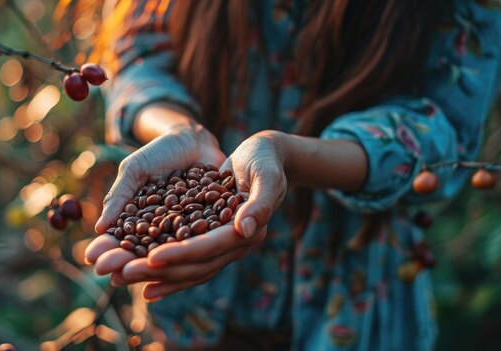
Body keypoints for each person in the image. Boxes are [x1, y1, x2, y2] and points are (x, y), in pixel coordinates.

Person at [85, 1, 501, 350]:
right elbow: (139, 57)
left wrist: (288, 155)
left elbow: (443, 130)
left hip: (354, 315)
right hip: (193, 319)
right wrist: (180, 130)